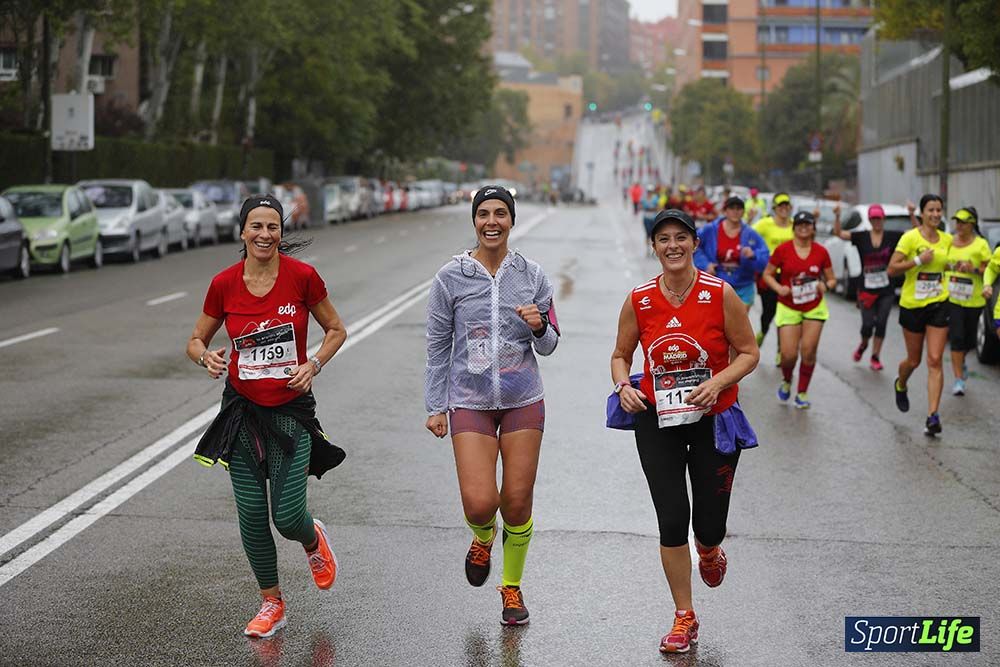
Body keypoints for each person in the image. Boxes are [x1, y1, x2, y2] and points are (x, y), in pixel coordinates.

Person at [187, 194, 348, 638]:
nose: (264, 234)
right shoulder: (224, 284)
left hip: (289, 414)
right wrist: (208, 359)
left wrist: (312, 364)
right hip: (240, 414)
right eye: (255, 226)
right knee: (253, 515)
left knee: (287, 515)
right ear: (242, 232)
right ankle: (271, 602)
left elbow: (336, 329)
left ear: (281, 232)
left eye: (273, 226)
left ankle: (312, 539)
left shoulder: (302, 278)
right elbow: (195, 341)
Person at [610, 208, 759, 654]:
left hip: (714, 420)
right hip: (658, 420)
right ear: (653, 247)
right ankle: (684, 616)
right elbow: (620, 353)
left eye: (681, 238)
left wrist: (717, 382)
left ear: (695, 243)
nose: (672, 246)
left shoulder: (720, 294)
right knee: (672, 518)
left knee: (708, 525)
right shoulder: (640, 299)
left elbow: (748, 353)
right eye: (663, 239)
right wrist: (622, 385)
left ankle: (710, 550)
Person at [424, 185, 560, 626]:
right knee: (481, 502)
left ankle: (511, 588)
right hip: (469, 400)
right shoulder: (451, 277)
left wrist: (539, 328)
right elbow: (437, 345)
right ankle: (483, 537)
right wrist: (435, 405)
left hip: (523, 399)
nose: (492, 222)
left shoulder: (533, 275)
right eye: (484, 213)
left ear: (512, 221)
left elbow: (552, 344)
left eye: (501, 213)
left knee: (517, 502)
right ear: (474, 220)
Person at [887, 194, 953, 436]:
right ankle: (901, 383)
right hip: (913, 305)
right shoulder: (910, 238)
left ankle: (933, 416)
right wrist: (918, 260)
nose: (936, 214)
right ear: (923, 213)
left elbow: (947, 264)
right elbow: (892, 268)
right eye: (931, 210)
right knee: (913, 361)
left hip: (939, 303)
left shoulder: (947, 239)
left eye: (939, 210)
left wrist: (957, 267)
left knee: (935, 359)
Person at [762, 211, 836, 409]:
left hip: (814, 307)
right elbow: (767, 274)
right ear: (794, 228)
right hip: (788, 305)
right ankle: (787, 380)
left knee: (809, 351)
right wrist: (779, 288)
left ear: (813, 228)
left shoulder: (821, 252)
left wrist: (825, 286)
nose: (804, 227)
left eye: (808, 224)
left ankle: (802, 392)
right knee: (788, 355)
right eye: (800, 224)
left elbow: (832, 279)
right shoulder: (783, 250)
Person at [831, 204, 904, 371]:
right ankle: (863, 345)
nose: (877, 221)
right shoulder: (862, 236)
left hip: (886, 288)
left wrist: (914, 214)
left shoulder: (893, 236)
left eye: (879, 218)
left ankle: (875, 356)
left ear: (883, 219)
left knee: (882, 323)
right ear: (870, 220)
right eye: (874, 218)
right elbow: (839, 234)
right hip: (866, 289)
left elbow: (915, 233)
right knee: (867, 325)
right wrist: (837, 217)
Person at [944, 206, 991, 396]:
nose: (959, 226)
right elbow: (942, 262)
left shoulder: (980, 244)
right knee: (956, 337)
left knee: (970, 340)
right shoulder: (949, 241)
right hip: (953, 297)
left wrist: (973, 269)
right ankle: (958, 380)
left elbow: (989, 269)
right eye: (957, 221)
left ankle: (961, 361)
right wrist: (951, 266)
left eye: (963, 222)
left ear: (972, 224)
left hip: (974, 300)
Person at [694, 196, 769, 312]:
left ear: (743, 212)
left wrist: (753, 255)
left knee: (738, 324)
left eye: (739, 208)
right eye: (732, 208)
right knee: (718, 323)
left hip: (743, 285)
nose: (735, 211)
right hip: (717, 283)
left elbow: (764, 257)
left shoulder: (750, 234)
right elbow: (694, 246)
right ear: (725, 211)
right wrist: (705, 265)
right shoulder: (710, 230)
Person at [753, 193, 795, 358]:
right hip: (769, 275)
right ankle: (762, 332)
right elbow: (748, 235)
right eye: (780, 206)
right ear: (775, 208)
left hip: (789, 276)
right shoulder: (765, 224)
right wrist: (756, 255)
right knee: (769, 312)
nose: (784, 209)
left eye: (786, 205)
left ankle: (781, 350)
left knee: (784, 315)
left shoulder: (795, 225)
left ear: (790, 208)